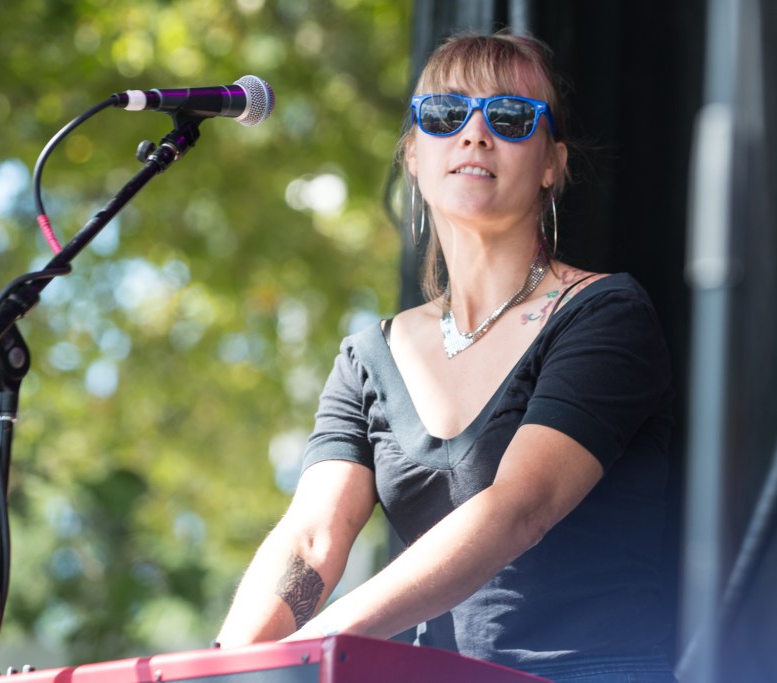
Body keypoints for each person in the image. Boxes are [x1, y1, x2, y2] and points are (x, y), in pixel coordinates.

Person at [215, 30, 677, 683]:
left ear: (552, 163)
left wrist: (310, 648)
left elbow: (517, 509)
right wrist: (217, 666)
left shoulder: (604, 313)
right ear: (413, 153)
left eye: (512, 117)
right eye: (445, 114)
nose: (475, 133)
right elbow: (310, 543)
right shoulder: (370, 355)